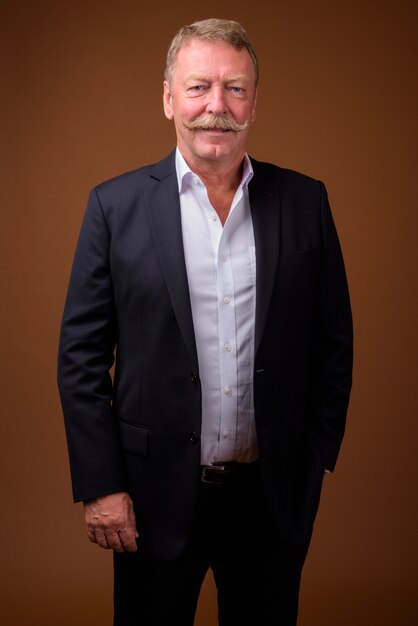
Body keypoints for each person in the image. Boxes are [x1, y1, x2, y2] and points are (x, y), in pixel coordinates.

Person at [58, 18, 353, 626]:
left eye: (235, 88)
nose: (216, 106)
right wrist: (101, 484)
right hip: (150, 495)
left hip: (271, 498)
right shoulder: (113, 207)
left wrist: (315, 458)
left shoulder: (305, 202)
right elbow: (81, 359)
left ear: (253, 103)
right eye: (198, 88)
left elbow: (334, 340)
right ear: (168, 98)